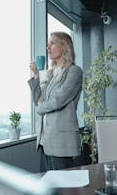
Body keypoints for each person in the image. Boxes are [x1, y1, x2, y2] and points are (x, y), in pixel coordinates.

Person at [28, 32, 83, 171]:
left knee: (63, 190)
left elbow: (58, 100)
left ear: (64, 47)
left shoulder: (74, 71)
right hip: (44, 141)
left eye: (52, 43)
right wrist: (36, 76)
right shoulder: (51, 74)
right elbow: (39, 100)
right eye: (48, 44)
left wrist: (40, 108)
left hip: (61, 143)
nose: (48, 47)